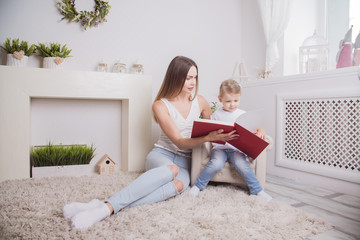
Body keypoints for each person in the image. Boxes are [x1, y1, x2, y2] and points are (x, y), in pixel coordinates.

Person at [62, 56, 238, 229]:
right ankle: (105, 210)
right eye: (188, 78)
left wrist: (255, 130)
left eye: (195, 77)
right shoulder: (160, 105)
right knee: (171, 170)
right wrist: (208, 138)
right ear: (175, 77)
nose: (193, 82)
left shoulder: (201, 101)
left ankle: (99, 204)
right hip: (163, 155)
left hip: (187, 162)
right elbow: (179, 142)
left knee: (177, 185)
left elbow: (220, 123)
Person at [189, 79, 272, 202]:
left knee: (242, 165)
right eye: (228, 101)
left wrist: (261, 130)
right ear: (220, 99)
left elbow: (254, 127)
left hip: (236, 149)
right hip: (220, 149)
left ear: (240, 98)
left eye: (236, 100)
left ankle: (257, 190)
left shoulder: (243, 114)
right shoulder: (216, 115)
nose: (232, 104)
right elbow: (209, 131)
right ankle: (198, 186)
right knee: (216, 164)